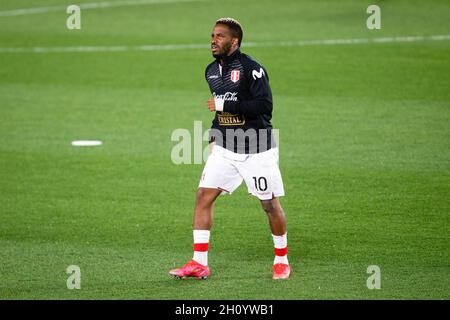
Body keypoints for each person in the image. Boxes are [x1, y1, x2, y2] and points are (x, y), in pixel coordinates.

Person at [169, 17, 290, 280]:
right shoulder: (211, 71)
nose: (213, 40)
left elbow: (264, 107)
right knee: (203, 196)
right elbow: (219, 111)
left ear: (234, 41)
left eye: (220, 36)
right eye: (212, 35)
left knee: (269, 204)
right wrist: (214, 135)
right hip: (225, 148)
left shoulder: (252, 69)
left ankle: (282, 259)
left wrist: (225, 107)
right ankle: (199, 262)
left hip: (257, 148)